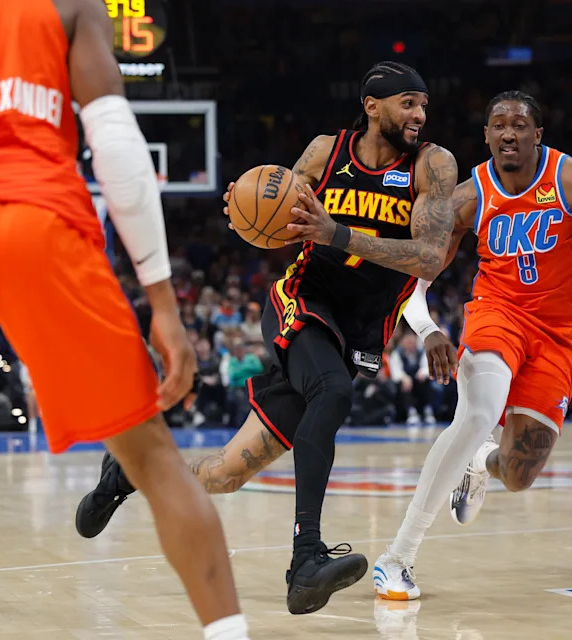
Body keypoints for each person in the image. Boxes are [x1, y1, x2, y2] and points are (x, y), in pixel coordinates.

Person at [0, 1, 249, 638]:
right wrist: (162, 302)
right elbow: (118, 148)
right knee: (154, 461)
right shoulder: (69, 4)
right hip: (44, 230)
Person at [76, 61, 461, 615]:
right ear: (372, 106)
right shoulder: (326, 153)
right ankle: (306, 560)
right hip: (302, 301)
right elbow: (275, 214)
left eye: (424, 104)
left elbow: (428, 256)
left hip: (356, 331)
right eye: (408, 103)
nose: (420, 114)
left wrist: (337, 232)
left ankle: (130, 472)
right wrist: (247, 205)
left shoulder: (432, 165)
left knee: (226, 474)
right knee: (333, 392)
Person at [372, 90, 572, 600]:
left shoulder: (571, 180)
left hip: (559, 332)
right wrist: (429, 329)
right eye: (499, 124)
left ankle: (480, 460)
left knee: (519, 474)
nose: (509, 133)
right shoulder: (468, 196)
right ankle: (398, 557)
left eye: (520, 125)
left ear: (537, 135)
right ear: (486, 135)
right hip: (497, 314)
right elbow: (414, 280)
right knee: (479, 412)